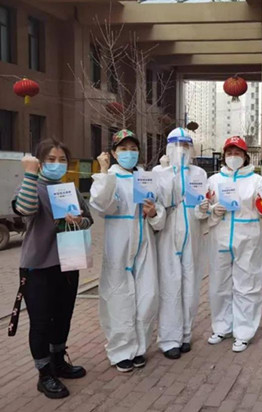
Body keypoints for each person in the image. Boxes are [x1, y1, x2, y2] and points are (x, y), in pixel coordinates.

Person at [11, 139, 92, 399]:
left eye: (62, 160)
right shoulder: (32, 186)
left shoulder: (69, 189)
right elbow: (24, 209)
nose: (57, 164)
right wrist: (30, 174)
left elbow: (88, 219)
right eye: (51, 159)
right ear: (39, 162)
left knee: (63, 316)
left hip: (68, 262)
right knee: (41, 322)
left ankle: (58, 361)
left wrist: (79, 220)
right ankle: (44, 373)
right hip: (38, 266)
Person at [90, 130, 166, 372]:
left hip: (145, 243)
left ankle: (139, 347)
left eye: (133, 149)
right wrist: (103, 172)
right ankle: (121, 350)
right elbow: (102, 206)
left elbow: (159, 215)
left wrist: (153, 213)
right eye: (123, 149)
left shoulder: (145, 178)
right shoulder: (109, 177)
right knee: (118, 297)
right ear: (113, 153)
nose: (129, 153)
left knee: (147, 295)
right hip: (119, 243)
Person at [199, 136, 262, 352]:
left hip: (247, 236)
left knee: (247, 285)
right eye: (230, 153)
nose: (233, 157)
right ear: (224, 156)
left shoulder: (256, 180)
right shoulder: (214, 180)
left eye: (238, 153)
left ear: (245, 156)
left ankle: (244, 332)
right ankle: (221, 327)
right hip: (220, 236)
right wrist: (212, 210)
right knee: (219, 285)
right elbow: (202, 208)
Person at [154, 127, 208, 359]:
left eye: (186, 145)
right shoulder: (159, 173)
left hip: (192, 234)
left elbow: (201, 206)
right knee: (170, 284)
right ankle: (169, 339)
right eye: (178, 145)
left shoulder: (199, 173)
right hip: (168, 233)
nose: (182, 150)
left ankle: (185, 334)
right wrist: (168, 175)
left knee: (191, 283)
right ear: (168, 147)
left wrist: (204, 209)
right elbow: (156, 205)